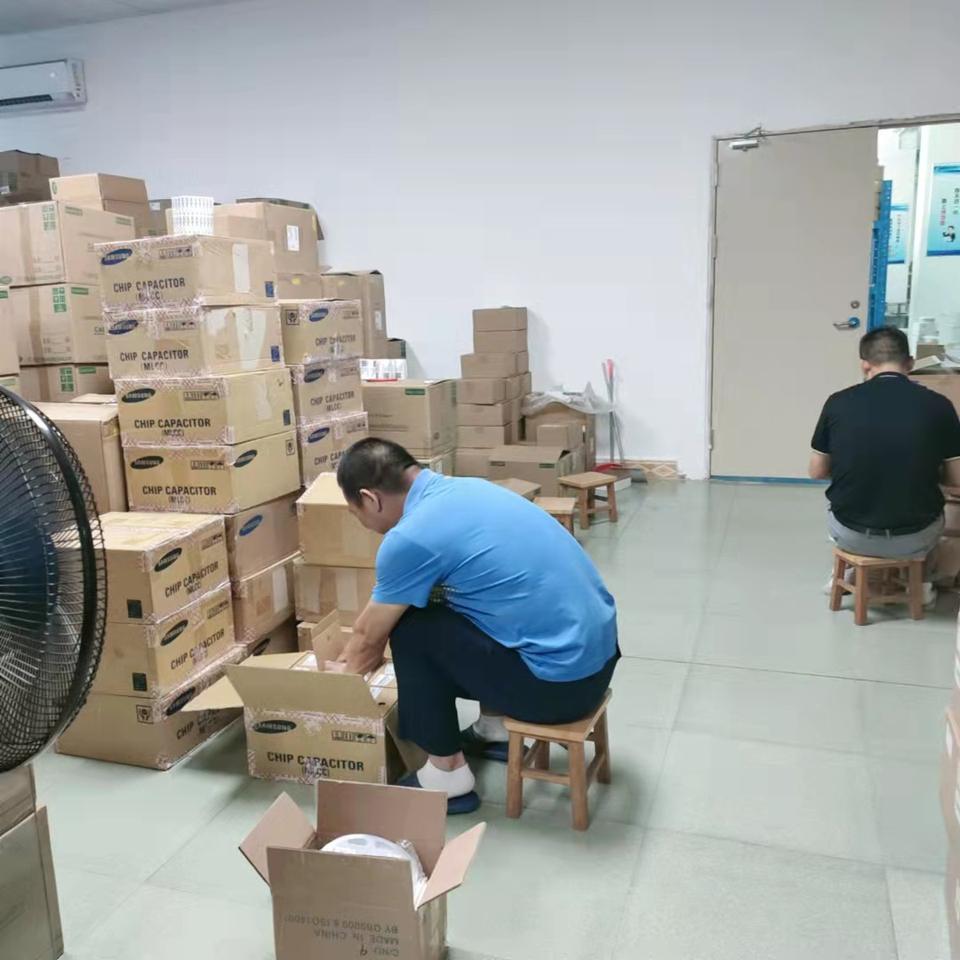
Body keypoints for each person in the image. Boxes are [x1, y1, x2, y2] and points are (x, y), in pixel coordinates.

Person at [332, 437, 619, 814]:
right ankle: (492, 728)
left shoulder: (410, 537)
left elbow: (368, 638)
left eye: (356, 514)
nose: (365, 525)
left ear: (370, 499)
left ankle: (447, 775)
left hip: (559, 689)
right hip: (598, 663)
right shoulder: (469, 489)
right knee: (457, 601)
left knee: (412, 629)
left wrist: (331, 693)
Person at [809, 327, 960, 592]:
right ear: (910, 363)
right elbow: (957, 479)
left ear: (864, 365)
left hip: (850, 534)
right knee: (942, 508)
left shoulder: (838, 402)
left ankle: (844, 573)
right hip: (916, 537)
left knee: (841, 503)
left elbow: (817, 471)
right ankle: (921, 585)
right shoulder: (940, 405)